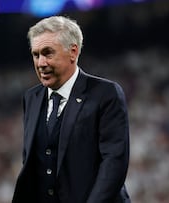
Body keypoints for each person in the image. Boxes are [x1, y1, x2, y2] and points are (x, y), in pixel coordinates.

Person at [12, 16, 131, 203]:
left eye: (48, 53)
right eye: (36, 55)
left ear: (73, 52)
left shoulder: (105, 94)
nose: (41, 63)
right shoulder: (31, 98)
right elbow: (34, 163)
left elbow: (114, 163)